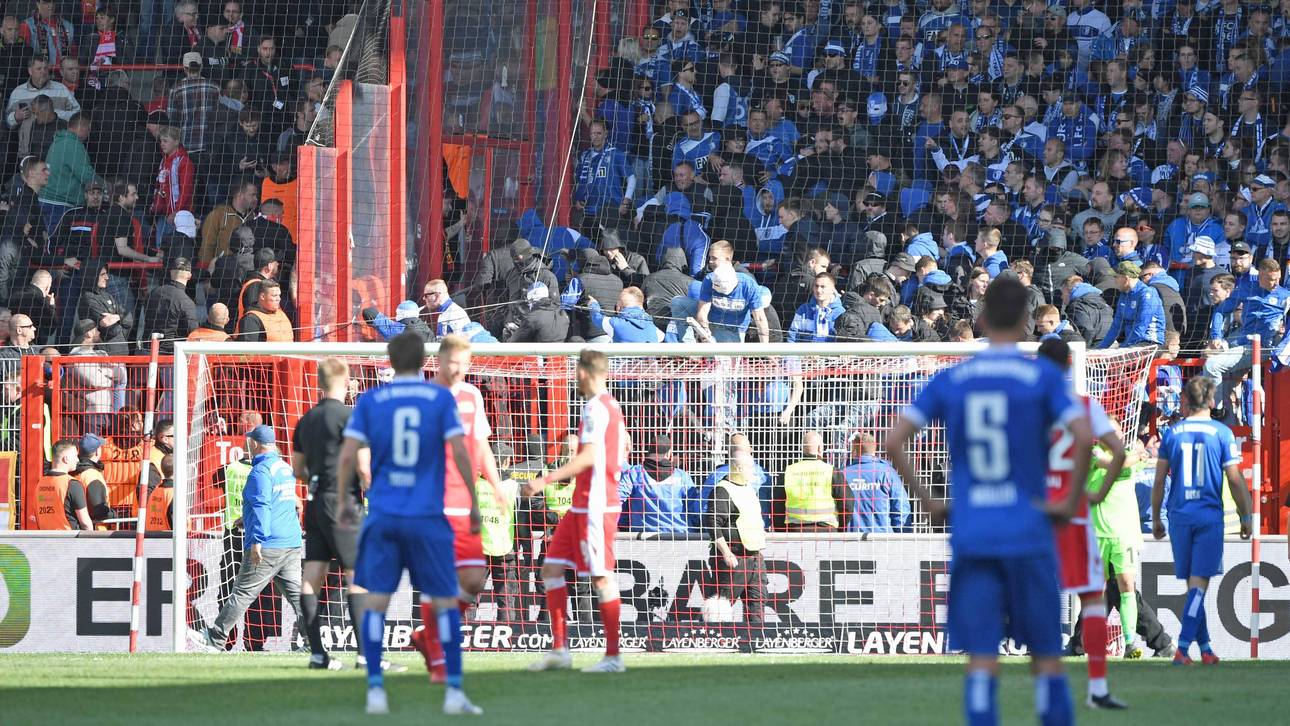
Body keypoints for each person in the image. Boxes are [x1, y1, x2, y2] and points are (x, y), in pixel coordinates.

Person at [885, 276, 1094, 726]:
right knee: (1046, 656)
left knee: (981, 657)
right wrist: (1068, 502)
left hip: (974, 531)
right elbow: (1083, 435)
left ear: (980, 318)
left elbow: (895, 441)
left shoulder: (953, 379)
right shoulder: (1041, 376)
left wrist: (930, 502)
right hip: (1029, 530)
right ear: (1024, 321)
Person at [335, 332, 483, 716]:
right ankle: (453, 692)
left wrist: (342, 500)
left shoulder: (370, 400)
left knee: (376, 601)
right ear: (422, 361)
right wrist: (473, 499)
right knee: (444, 601)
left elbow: (349, 453)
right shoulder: (438, 399)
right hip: (426, 516)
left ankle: (375, 691)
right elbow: (460, 452)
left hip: (383, 514)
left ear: (390, 357)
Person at [1037, 338, 1129, 709]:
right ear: (1069, 366)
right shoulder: (1085, 406)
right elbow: (1120, 451)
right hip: (1074, 513)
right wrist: (1099, 492)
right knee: (1092, 598)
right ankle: (1097, 688)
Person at [523, 349, 627, 674]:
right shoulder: (610, 405)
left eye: (575, 370)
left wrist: (546, 480)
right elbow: (623, 447)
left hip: (596, 505)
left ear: (583, 372)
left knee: (600, 577)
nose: (573, 376)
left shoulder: (597, 407)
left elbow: (590, 457)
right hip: (580, 504)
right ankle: (559, 651)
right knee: (551, 569)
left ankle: (613, 657)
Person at [410, 335, 505, 684]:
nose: (461, 370)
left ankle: (425, 636)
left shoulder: (472, 395)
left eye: (466, 365)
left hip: (465, 501)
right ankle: (438, 659)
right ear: (440, 360)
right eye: (455, 364)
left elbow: (480, 445)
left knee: (473, 578)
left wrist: (495, 485)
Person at [1151, 376, 1253, 666]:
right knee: (1198, 587)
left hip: (1180, 516)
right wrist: (1246, 515)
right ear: (1210, 400)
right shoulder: (1222, 433)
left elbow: (1159, 481)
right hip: (1208, 517)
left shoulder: (1172, 433)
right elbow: (1234, 479)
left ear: (1185, 400)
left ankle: (1205, 649)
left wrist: (1157, 517)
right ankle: (1183, 648)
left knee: (1194, 586)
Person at [191, 425, 306, 652]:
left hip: (269, 544)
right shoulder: (284, 467)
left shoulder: (261, 471)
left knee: (242, 593)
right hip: (291, 543)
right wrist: (246, 518)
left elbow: (262, 505)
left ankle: (216, 638)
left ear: (254, 444)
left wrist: (256, 540)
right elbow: (282, 503)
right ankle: (313, 642)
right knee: (297, 597)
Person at [292, 357, 365, 671]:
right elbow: (364, 469)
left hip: (315, 501)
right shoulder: (351, 417)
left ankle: (318, 654)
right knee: (358, 576)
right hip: (344, 502)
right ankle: (366, 656)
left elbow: (298, 470)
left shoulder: (305, 420)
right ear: (346, 380)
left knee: (311, 579)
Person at [708, 444, 767, 626]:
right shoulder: (722, 490)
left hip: (755, 557)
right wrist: (726, 552)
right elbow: (713, 524)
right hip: (734, 556)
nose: (753, 472)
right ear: (739, 468)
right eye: (751, 468)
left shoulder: (748, 489)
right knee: (722, 604)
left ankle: (757, 642)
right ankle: (714, 640)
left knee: (757, 602)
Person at [840, 432, 911, 533]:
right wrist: (902, 537)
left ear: (854, 452)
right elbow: (900, 508)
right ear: (874, 450)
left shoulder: (842, 474)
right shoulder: (887, 472)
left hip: (849, 540)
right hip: (882, 540)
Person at [1098, 261, 1166, 348]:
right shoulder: (1124, 295)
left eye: (1116, 277)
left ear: (1126, 278)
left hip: (1150, 342)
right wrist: (1100, 349)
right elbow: (1116, 327)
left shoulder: (1147, 293)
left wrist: (1124, 347)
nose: (1114, 280)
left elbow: (1141, 326)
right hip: (1132, 343)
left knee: (1118, 358)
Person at [31, 438, 93, 530]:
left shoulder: (40, 483)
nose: (77, 460)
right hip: (68, 540)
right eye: (75, 456)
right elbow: (85, 523)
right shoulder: (72, 484)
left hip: (45, 539)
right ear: (66, 459)